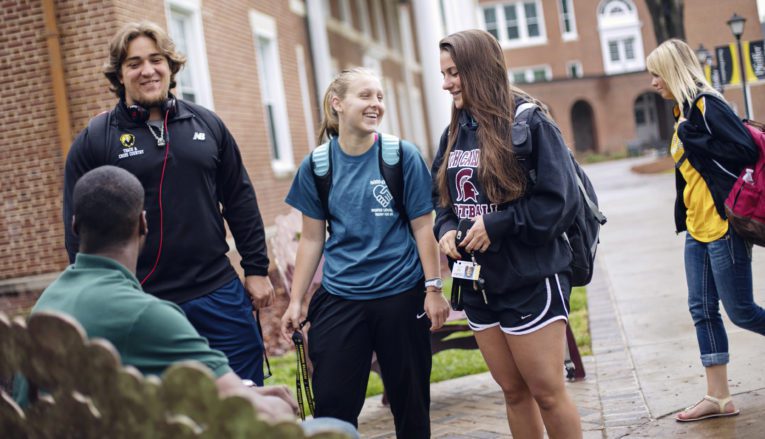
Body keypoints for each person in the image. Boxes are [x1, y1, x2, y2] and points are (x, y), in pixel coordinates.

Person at [62, 21, 272, 385]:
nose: (147, 71)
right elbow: (77, 224)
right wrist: (97, 293)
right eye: (134, 63)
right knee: (162, 412)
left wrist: (256, 269)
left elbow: (239, 198)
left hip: (216, 290)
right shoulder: (96, 139)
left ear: (170, 66)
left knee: (247, 401)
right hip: (141, 300)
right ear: (120, 74)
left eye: (156, 59)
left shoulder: (207, 124)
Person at [17, 166, 294, 421]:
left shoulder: (48, 303)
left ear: (75, 225)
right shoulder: (146, 316)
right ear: (143, 224)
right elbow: (260, 413)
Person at [280, 67, 450, 438]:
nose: (376, 104)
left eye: (380, 96)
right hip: (342, 298)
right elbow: (312, 239)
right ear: (337, 104)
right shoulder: (316, 166)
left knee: (412, 406)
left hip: (402, 296)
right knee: (333, 409)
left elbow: (423, 226)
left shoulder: (401, 156)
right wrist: (296, 301)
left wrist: (433, 289)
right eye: (366, 96)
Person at [433, 29, 582, 438]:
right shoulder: (454, 132)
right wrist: (446, 230)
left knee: (547, 392)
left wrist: (498, 224)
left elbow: (559, 204)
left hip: (529, 278)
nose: (445, 83)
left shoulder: (529, 121)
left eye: (453, 73)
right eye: (443, 74)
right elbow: (443, 202)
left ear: (478, 69)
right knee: (513, 393)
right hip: (479, 286)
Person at [646, 39, 764, 422]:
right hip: (697, 227)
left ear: (672, 71)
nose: (652, 83)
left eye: (656, 74)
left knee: (741, 311)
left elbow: (745, 150)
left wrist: (694, 136)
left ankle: (719, 395)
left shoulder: (706, 106)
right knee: (701, 309)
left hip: (723, 225)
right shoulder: (683, 110)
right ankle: (719, 397)